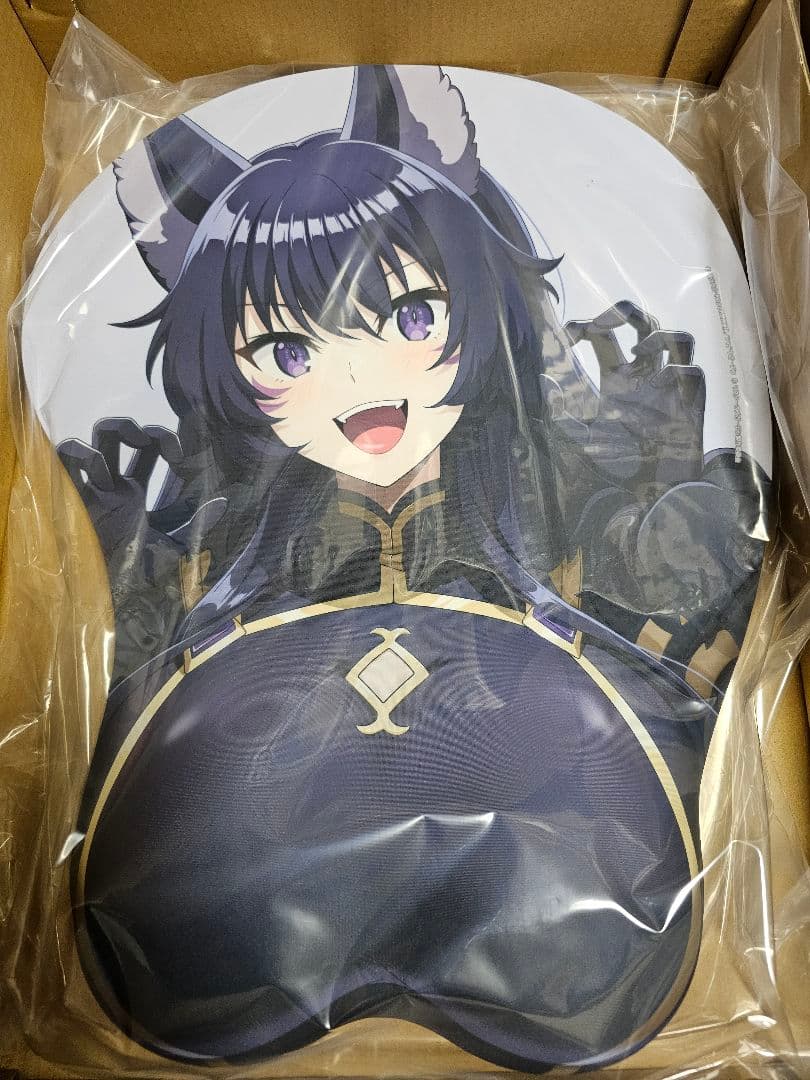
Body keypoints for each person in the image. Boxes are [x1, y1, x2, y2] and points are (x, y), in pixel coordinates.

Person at [61, 66, 767, 1070]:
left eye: (412, 318)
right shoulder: (221, 541)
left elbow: (671, 592)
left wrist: (676, 519)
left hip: (589, 908)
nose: (359, 380)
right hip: (221, 917)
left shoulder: (544, 492)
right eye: (290, 355)